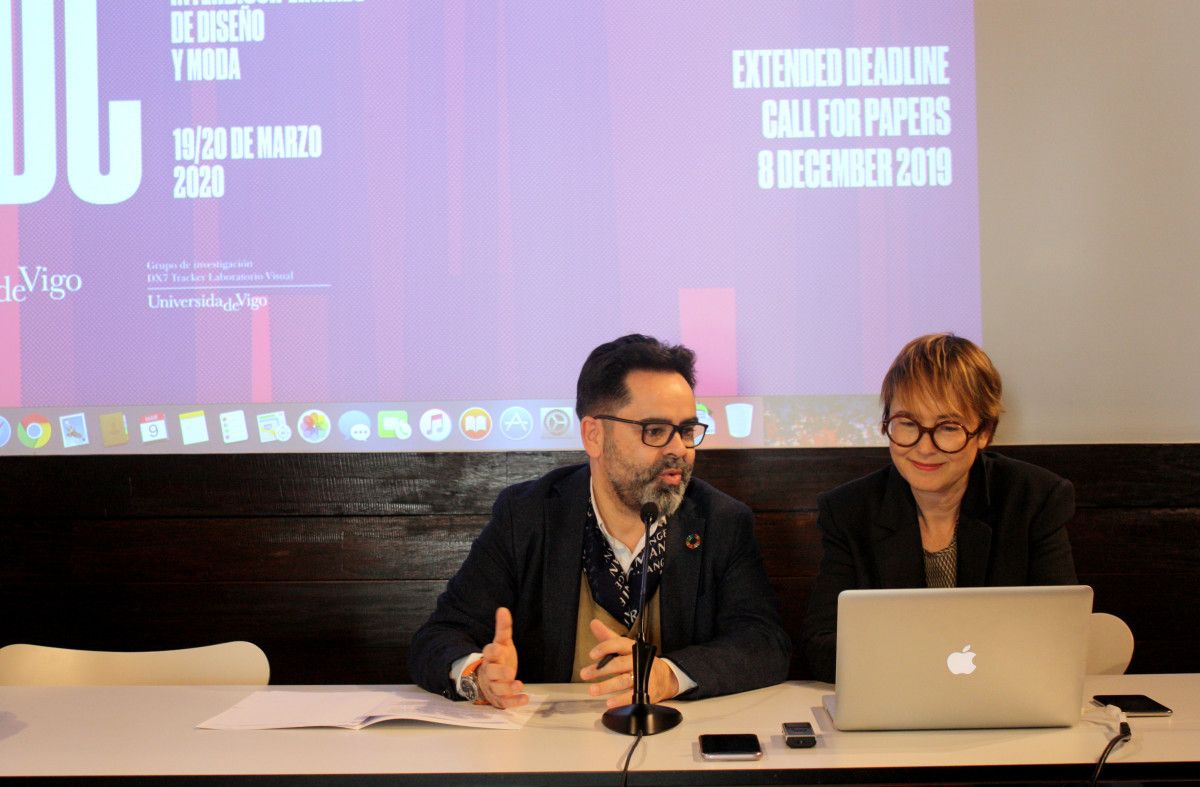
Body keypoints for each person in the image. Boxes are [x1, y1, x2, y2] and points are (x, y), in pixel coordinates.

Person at [409, 334, 790, 709]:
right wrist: (477, 674)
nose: (679, 449)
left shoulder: (720, 520)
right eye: (655, 431)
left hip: (674, 745)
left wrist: (670, 675)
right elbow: (440, 635)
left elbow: (765, 642)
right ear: (594, 435)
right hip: (552, 746)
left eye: (687, 430)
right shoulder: (527, 516)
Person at [801, 334, 1077, 683]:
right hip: (896, 706)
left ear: (984, 433)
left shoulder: (1034, 499)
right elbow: (822, 645)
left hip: (1002, 700)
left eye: (947, 428)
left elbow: (1058, 635)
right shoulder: (849, 511)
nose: (924, 447)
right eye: (907, 423)